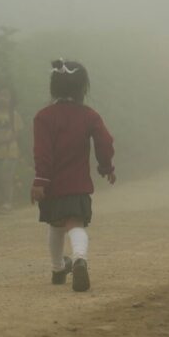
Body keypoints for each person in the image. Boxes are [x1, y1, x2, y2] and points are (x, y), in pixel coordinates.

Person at [31, 59, 116, 292]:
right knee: (76, 224)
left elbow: (42, 153)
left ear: (53, 87)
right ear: (82, 88)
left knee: (56, 225)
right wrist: (106, 167)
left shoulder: (43, 117)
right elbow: (105, 142)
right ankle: (79, 259)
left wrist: (40, 180)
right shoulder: (89, 115)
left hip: (53, 184)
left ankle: (58, 268)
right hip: (78, 183)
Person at [0, 86, 24, 212]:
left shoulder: (14, 115)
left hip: (10, 150)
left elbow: (17, 133)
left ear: (11, 99)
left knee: (6, 177)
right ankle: (3, 198)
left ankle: (7, 203)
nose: (3, 98)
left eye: (6, 96)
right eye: (1, 95)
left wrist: (4, 140)